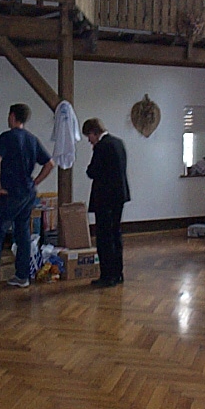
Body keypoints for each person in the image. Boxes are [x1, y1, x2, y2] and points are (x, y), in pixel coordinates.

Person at [0, 103, 55, 294]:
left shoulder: (6, 137)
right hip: (28, 193)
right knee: (22, 232)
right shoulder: (32, 139)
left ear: (13, 116)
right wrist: (35, 182)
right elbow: (50, 164)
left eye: (9, 115)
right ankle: (22, 276)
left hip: (11, 193)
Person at [82, 118, 130, 287]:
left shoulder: (101, 147)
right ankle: (118, 273)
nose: (89, 140)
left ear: (94, 132)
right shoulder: (118, 143)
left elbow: (92, 171)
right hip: (119, 196)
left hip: (105, 198)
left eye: (89, 136)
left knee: (104, 237)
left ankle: (107, 276)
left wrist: (90, 166)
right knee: (115, 234)